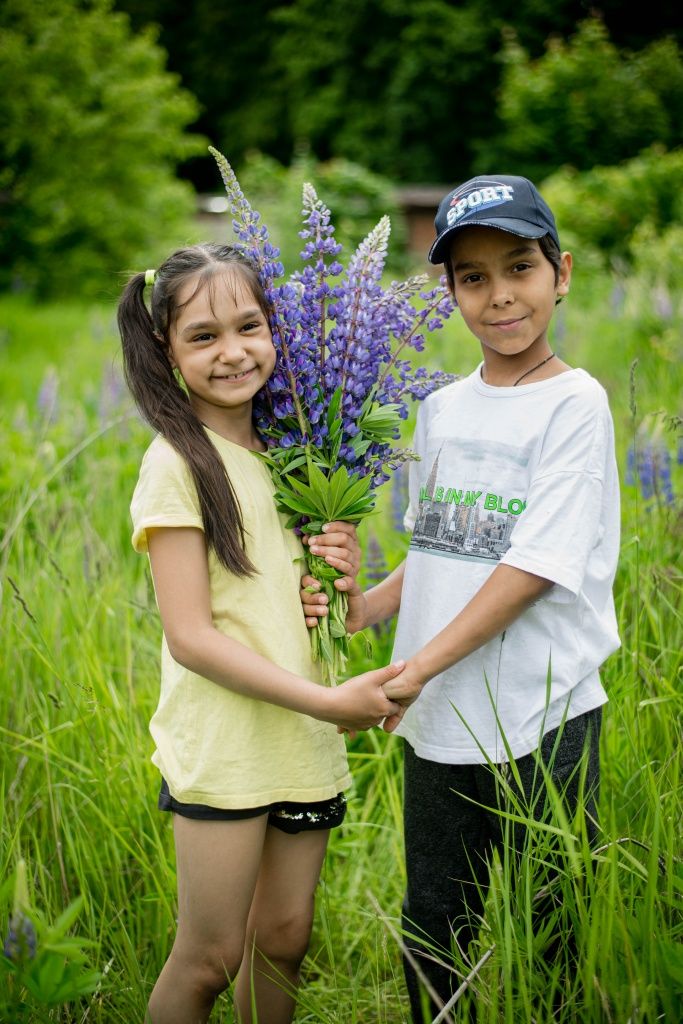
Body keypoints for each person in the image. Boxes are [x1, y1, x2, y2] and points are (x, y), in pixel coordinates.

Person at [302, 175, 621, 1020]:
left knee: (549, 920)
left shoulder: (575, 403)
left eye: (519, 267)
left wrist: (410, 672)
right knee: (436, 920)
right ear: (447, 291)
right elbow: (441, 547)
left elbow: (531, 567)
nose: (499, 294)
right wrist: (366, 608)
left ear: (561, 272)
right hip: (441, 713)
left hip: (541, 712)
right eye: (472, 277)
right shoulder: (440, 407)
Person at [116, 242, 404, 1024]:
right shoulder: (178, 463)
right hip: (228, 748)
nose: (233, 351)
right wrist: (330, 703)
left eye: (249, 326)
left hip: (301, 741)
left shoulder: (297, 455)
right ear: (166, 352)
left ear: (278, 330)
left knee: (283, 937)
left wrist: (343, 578)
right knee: (208, 959)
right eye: (203, 336)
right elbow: (190, 637)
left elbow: (309, 608)